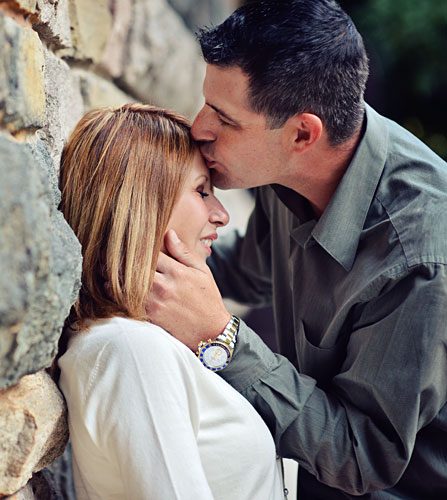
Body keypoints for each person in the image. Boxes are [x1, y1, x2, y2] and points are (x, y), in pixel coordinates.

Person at [146, 1, 447, 499]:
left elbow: (362, 457)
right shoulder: (286, 164)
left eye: (224, 118)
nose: (199, 128)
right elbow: (241, 272)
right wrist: (128, 246)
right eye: (206, 104)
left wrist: (220, 338)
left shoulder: (420, 256)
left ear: (303, 133)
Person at [56, 104, 286, 499]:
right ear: (145, 204)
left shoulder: (150, 340)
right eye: (202, 191)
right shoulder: (131, 351)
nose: (221, 215)